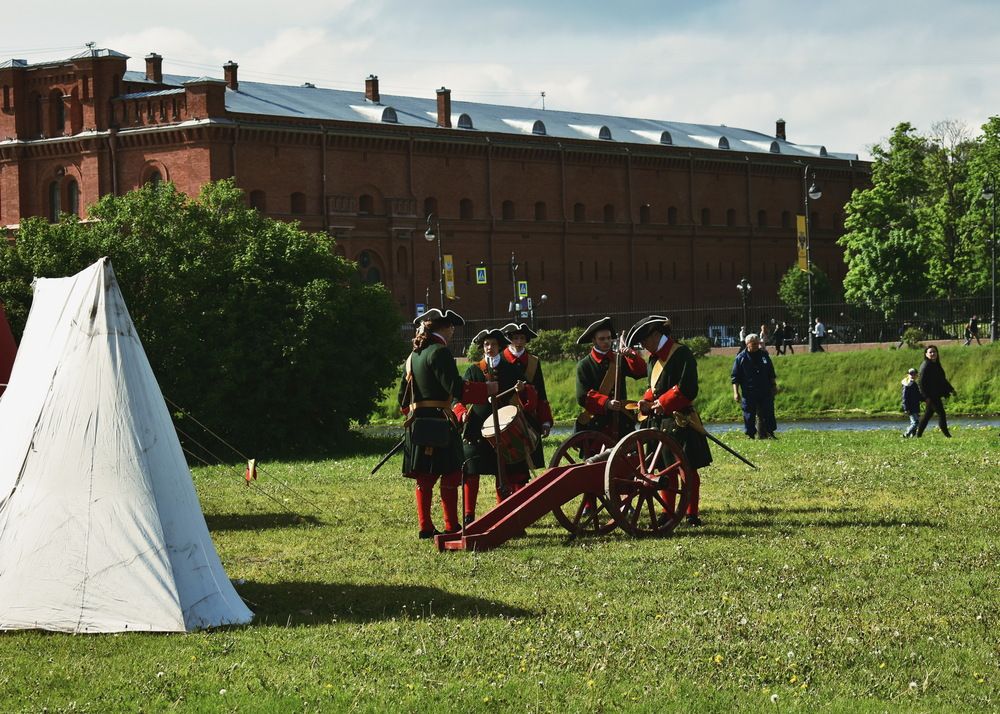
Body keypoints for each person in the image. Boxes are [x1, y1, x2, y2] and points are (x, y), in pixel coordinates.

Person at [397, 308, 498, 538]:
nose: (453, 331)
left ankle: (425, 526)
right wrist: (487, 389)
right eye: (452, 327)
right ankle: (451, 525)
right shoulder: (440, 352)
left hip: (418, 424)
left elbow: (402, 399)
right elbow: (457, 388)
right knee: (451, 473)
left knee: (425, 477)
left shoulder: (413, 356)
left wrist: (414, 414)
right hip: (439, 423)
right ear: (446, 327)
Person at [631, 315, 711, 527]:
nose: (644, 346)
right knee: (664, 470)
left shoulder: (681, 353)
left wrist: (661, 403)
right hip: (659, 422)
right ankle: (668, 513)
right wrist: (647, 402)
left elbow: (687, 388)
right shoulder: (653, 358)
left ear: (656, 335)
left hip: (680, 420)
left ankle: (691, 514)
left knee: (687, 469)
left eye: (644, 341)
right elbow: (653, 388)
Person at [452, 328, 524, 524]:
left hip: (503, 431)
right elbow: (457, 399)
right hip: (475, 430)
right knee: (471, 470)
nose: (489, 348)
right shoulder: (474, 370)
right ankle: (468, 517)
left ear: (499, 346)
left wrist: (521, 392)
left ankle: (504, 516)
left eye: (492, 344)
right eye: (486, 344)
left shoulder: (511, 370)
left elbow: (526, 398)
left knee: (503, 474)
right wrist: (461, 413)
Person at [574, 316, 647, 442]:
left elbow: (641, 372)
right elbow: (582, 396)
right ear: (594, 340)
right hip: (598, 422)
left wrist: (632, 356)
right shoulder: (584, 364)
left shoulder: (619, 358)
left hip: (621, 420)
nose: (606, 341)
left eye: (609, 338)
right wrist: (606, 403)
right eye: (602, 339)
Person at [499, 322, 553, 492]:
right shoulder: (500, 359)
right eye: (515, 337)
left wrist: (545, 421)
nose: (519, 341)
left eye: (522, 338)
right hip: (505, 415)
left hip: (528, 415)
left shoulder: (533, 362)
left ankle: (520, 495)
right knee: (506, 461)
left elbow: (542, 393)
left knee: (523, 462)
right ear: (509, 339)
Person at [731, 333, 778, 439]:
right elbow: (735, 377)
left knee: (769, 412)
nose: (757, 346)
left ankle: (770, 433)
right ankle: (750, 435)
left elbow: (771, 372)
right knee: (749, 414)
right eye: (754, 344)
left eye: (758, 343)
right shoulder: (740, 358)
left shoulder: (764, 355)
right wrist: (736, 392)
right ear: (747, 344)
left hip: (765, 390)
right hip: (749, 392)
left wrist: (774, 385)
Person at [916, 344, 955, 438]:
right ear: (926, 354)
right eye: (930, 352)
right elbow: (921, 383)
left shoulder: (936, 364)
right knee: (942, 414)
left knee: (927, 415)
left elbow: (942, 379)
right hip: (930, 396)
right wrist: (926, 397)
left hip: (935, 394)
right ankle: (948, 436)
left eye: (934, 352)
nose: (933, 354)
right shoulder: (925, 366)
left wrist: (951, 389)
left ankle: (918, 435)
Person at [901, 367, 923, 438]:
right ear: (908, 375)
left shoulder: (914, 384)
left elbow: (918, 395)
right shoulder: (906, 384)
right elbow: (904, 397)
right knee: (915, 422)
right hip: (910, 407)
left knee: (915, 422)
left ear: (917, 375)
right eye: (911, 374)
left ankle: (912, 436)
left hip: (915, 406)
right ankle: (906, 434)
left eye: (914, 374)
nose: (912, 375)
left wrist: (925, 399)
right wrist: (906, 408)